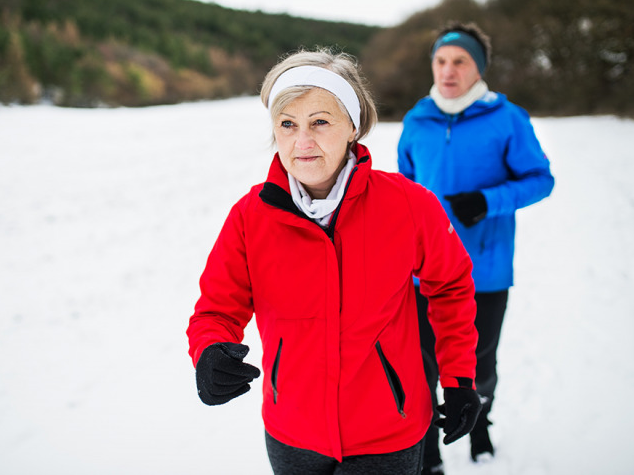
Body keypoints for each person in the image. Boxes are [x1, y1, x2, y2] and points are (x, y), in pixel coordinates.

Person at [187, 48, 483, 475]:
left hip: (390, 432)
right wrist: (209, 351)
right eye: (287, 124)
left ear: (353, 125)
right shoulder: (250, 217)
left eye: (320, 122)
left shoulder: (408, 204)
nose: (301, 142)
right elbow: (217, 308)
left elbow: (451, 286)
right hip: (293, 433)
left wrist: (459, 379)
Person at [397, 22, 555, 474]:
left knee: (478, 365)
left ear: (478, 68)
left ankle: (480, 421)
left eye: (459, 61)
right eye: (441, 61)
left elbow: (541, 180)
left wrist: (488, 201)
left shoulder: (507, 119)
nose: (448, 70)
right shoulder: (417, 120)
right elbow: (405, 188)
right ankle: (428, 451)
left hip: (483, 268)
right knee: (420, 367)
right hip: (421, 271)